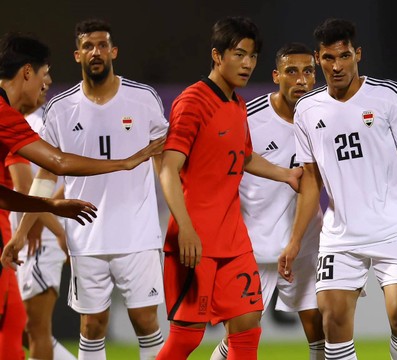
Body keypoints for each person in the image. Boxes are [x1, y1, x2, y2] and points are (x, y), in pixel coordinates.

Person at [5, 19, 169, 360]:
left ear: (114, 51)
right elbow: (50, 172)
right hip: (86, 236)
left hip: (138, 234)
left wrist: (181, 216)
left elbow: (163, 162)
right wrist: (23, 231)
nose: (96, 51)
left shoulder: (144, 99)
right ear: (77, 55)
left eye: (102, 44)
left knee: (145, 319)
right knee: (92, 325)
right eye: (89, 46)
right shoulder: (60, 108)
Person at [278, 18, 397, 360]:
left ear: (357, 54)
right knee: (332, 320)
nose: (337, 66)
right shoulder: (307, 109)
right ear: (318, 60)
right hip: (340, 235)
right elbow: (312, 180)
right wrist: (295, 239)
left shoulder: (388, 96)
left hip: (394, 230)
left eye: (344, 56)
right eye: (329, 58)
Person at [157, 17, 302, 360]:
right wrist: (186, 230)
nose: (248, 64)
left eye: (252, 56)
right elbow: (168, 169)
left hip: (234, 241)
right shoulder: (192, 101)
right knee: (186, 339)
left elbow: (245, 156)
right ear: (217, 56)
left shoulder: (237, 105)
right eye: (239, 54)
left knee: (248, 326)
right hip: (195, 241)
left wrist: (285, 175)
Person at [210, 42, 325, 360]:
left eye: (307, 72)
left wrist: (298, 240)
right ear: (276, 76)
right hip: (251, 244)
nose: (300, 80)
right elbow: (222, 177)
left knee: (320, 330)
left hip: (304, 242)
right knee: (240, 336)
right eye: (291, 71)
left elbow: (315, 183)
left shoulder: (324, 119)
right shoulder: (249, 117)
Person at [6, 71, 77, 359]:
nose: (45, 84)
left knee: (35, 328)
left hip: (37, 240)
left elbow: (29, 187)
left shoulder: (37, 125)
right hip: (28, 232)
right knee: (21, 326)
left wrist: (34, 221)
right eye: (42, 77)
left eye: (48, 78)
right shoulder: (27, 121)